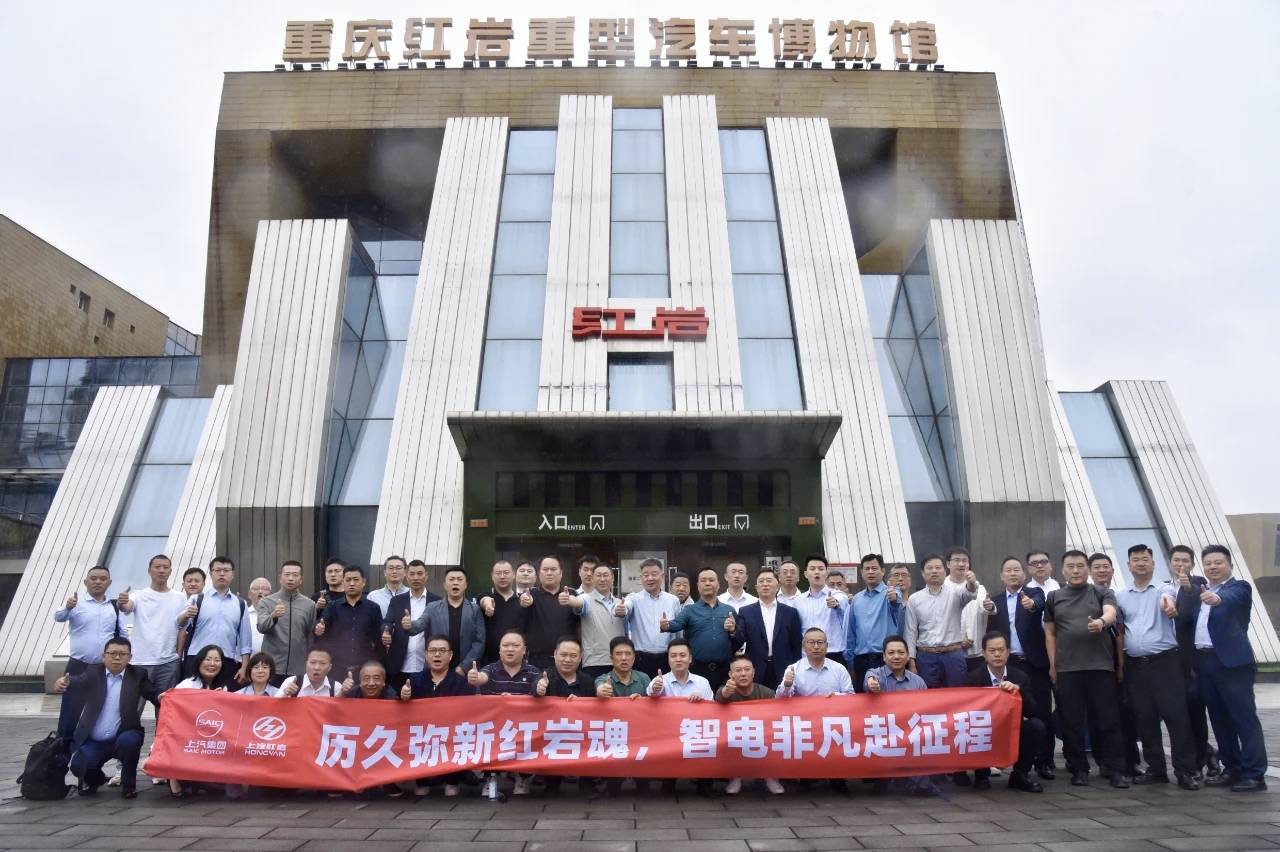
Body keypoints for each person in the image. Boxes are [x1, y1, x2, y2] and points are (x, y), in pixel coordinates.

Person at [1176, 544, 1268, 792]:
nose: (1213, 567)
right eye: (1208, 563)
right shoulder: (1200, 590)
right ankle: (1232, 767)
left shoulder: (1239, 588)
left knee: (1244, 718)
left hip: (1231, 664)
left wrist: (1216, 598)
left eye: (1218, 562)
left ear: (1230, 565)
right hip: (1204, 662)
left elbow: (1230, 599)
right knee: (1219, 719)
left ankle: (1254, 774)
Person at [1116, 544, 1199, 790]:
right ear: (1128, 565)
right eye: (1135, 560)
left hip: (1165, 663)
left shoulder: (1164, 589)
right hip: (1135, 666)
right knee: (1145, 718)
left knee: (1176, 716)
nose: (1140, 563)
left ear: (1153, 564)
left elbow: (1168, 599)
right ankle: (1156, 769)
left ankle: (1185, 771)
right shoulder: (1121, 595)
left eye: (1145, 559)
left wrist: (1169, 606)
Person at [1044, 549, 1128, 788]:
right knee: (1071, 722)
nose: (1076, 571)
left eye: (1080, 566)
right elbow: (1050, 633)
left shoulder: (1101, 592)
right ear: (1062, 570)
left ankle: (1114, 769)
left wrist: (1101, 622)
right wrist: (1053, 665)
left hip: (1100, 667)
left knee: (1108, 720)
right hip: (1068, 669)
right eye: (1070, 566)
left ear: (1088, 569)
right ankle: (1079, 768)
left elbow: (1111, 613)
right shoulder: (1054, 597)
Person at [52, 637, 159, 799]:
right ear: (104, 656)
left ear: (130, 657)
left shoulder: (138, 674)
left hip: (124, 735)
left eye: (122, 654)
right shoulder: (93, 672)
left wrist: (164, 698)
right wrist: (62, 682)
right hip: (95, 741)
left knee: (130, 742)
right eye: (112, 653)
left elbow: (152, 693)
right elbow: (75, 681)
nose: (117, 658)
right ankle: (96, 780)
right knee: (78, 766)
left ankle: (129, 786)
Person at [987, 556, 1054, 779]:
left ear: (1024, 574)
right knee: (1010, 714)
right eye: (1008, 570)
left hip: (1035, 663)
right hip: (1010, 665)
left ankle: (1045, 762)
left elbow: (1039, 603)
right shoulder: (995, 601)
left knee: (1042, 712)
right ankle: (1012, 759)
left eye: (1017, 570)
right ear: (1001, 575)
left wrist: (1032, 604)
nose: (1013, 573)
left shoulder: (1034, 593)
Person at [962, 632, 1045, 793]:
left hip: (1011, 728)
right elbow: (965, 713)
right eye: (992, 650)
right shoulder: (973, 678)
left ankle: (1020, 774)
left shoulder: (1020, 676)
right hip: (984, 729)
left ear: (1008, 652)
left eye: (1001, 650)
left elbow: (1033, 712)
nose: (997, 654)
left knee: (1037, 727)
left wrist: (1018, 692)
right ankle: (981, 774)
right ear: (984, 653)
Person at [1169, 544, 1221, 780]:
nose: (1180, 565)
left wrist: (1188, 588)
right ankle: (1206, 753)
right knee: (1179, 714)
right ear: (1170, 563)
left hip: (1190, 662)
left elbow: (1190, 616)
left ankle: (1199, 761)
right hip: (1168, 661)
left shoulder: (1198, 584)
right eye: (1176, 560)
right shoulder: (1164, 587)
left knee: (1195, 713)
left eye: (1185, 561)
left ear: (1192, 564)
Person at [863, 634, 939, 796]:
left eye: (901, 652)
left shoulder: (918, 681)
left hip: (910, 732)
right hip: (884, 732)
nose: (896, 656)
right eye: (891, 653)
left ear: (907, 655)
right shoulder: (877, 675)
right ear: (884, 656)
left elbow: (927, 710)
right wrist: (871, 684)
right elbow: (869, 678)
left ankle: (915, 781)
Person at [779, 628, 853, 793]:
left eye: (820, 642)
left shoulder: (839, 668)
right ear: (803, 646)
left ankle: (837, 777)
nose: (816, 646)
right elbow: (781, 699)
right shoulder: (793, 668)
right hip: (805, 722)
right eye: (811, 642)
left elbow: (851, 696)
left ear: (827, 646)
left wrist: (837, 697)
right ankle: (808, 776)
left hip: (833, 720)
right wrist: (787, 685)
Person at [53, 565, 124, 738]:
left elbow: (123, 635)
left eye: (103, 579)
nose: (98, 582)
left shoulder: (114, 607)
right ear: (86, 582)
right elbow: (58, 617)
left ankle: (90, 751)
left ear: (109, 583)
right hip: (78, 666)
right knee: (70, 713)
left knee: (101, 712)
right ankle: (62, 750)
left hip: (103, 668)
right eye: (93, 578)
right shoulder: (76, 603)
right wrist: (67, 607)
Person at [1088, 551, 1142, 778]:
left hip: (1121, 661)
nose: (1102, 570)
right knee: (1098, 714)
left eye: (1106, 566)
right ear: (1090, 571)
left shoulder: (1121, 595)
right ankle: (1104, 761)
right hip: (1095, 663)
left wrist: (1120, 665)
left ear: (1112, 570)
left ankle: (1129, 760)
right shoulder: (1086, 596)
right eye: (1097, 567)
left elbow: (1121, 632)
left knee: (1125, 712)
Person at [469, 630, 542, 797]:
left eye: (515, 646)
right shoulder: (491, 669)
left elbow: (538, 688)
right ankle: (490, 778)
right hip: (495, 727)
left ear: (524, 650)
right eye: (506, 645)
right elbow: (482, 677)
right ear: (499, 650)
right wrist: (476, 678)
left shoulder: (533, 671)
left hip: (523, 727)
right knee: (485, 736)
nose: (510, 649)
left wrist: (539, 688)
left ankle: (522, 777)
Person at [404, 635, 472, 797]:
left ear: (450, 655)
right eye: (432, 651)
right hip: (423, 732)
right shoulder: (415, 679)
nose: (437, 655)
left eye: (442, 651)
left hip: (450, 732)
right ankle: (422, 781)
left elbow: (468, 711)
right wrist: (404, 696)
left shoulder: (461, 682)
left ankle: (452, 781)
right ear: (426, 654)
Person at [902, 554, 978, 688]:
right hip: (926, 656)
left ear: (945, 571)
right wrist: (911, 662)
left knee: (957, 695)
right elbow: (910, 631)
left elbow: (970, 593)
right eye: (930, 568)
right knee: (929, 696)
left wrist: (971, 583)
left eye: (938, 567)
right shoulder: (915, 599)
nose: (934, 571)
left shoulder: (956, 592)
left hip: (953, 655)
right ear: (922, 573)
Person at [177, 556, 252, 689]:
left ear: (233, 574)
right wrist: (187, 615)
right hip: (197, 658)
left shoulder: (241, 604)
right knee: (193, 698)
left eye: (226, 570)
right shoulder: (197, 599)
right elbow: (179, 623)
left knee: (222, 699)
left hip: (226, 660)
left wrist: (244, 667)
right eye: (217, 570)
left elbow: (245, 641)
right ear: (211, 573)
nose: (222, 574)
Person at [660, 568, 742, 689]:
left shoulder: (729, 610)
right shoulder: (689, 610)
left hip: (725, 669)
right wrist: (666, 626)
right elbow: (677, 624)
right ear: (698, 586)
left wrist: (733, 630)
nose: (707, 583)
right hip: (697, 669)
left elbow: (740, 639)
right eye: (703, 580)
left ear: (718, 585)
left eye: (711, 580)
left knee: (724, 698)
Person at [117, 555, 185, 699]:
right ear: (149, 571)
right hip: (140, 661)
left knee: (166, 706)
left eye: (165, 567)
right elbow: (126, 607)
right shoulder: (138, 595)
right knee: (133, 705)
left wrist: (178, 655)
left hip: (168, 662)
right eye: (157, 567)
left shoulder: (179, 597)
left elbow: (182, 628)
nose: (161, 570)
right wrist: (121, 603)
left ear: (170, 571)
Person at [716, 656, 785, 796]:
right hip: (735, 736)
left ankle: (770, 776)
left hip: (761, 735)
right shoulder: (727, 690)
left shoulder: (767, 693)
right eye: (738, 670)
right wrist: (725, 693)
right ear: (730, 674)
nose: (743, 674)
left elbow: (775, 717)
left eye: (747, 669)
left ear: (753, 672)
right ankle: (735, 777)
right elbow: (719, 698)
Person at [169, 644, 227, 798]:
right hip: (187, 737)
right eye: (208, 659)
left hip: (211, 738)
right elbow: (171, 706)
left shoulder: (223, 687)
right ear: (199, 661)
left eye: (217, 660)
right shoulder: (187, 684)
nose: (212, 664)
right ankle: (173, 776)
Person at [406, 567, 484, 675]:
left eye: (459, 579)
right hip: (437, 669)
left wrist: (464, 667)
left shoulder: (474, 609)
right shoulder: (432, 608)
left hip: (465, 671)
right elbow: (419, 625)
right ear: (444, 585)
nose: (455, 582)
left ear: (466, 585)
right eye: (451, 579)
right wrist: (409, 625)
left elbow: (479, 642)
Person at [844, 553, 904, 692]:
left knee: (888, 698)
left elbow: (896, 600)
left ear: (882, 571)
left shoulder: (890, 592)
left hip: (886, 658)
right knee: (862, 700)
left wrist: (894, 597)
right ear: (862, 573)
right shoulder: (856, 599)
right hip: (861, 659)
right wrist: (850, 661)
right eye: (867, 569)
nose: (870, 572)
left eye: (874, 568)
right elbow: (851, 632)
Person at [313, 565, 383, 683]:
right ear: (343, 582)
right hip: (337, 668)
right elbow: (321, 627)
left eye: (356, 580)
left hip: (365, 670)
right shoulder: (332, 607)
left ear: (363, 582)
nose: (351, 583)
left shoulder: (373, 608)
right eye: (348, 580)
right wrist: (318, 629)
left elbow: (378, 640)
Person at [738, 567, 802, 689]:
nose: (765, 584)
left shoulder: (790, 612)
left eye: (769, 580)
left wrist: (795, 668)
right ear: (756, 587)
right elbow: (739, 639)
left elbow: (796, 645)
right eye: (761, 581)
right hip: (755, 668)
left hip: (783, 668)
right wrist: (732, 630)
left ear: (777, 586)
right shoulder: (745, 612)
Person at [383, 560, 441, 689]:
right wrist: (386, 632)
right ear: (406, 576)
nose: (416, 578)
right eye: (412, 574)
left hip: (427, 664)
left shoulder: (437, 601)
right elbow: (387, 622)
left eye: (420, 573)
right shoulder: (397, 601)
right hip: (399, 664)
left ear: (426, 576)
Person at [256, 560, 315, 684]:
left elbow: (310, 635)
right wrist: (273, 616)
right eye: (287, 574)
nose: (290, 578)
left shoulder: (309, 605)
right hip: (271, 667)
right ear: (280, 578)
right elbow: (261, 627)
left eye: (295, 575)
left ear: (301, 579)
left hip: (298, 668)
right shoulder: (266, 602)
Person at [519, 556, 580, 672]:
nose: (549, 573)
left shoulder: (571, 594)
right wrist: (525, 602)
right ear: (539, 573)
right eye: (545, 569)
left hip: (568, 660)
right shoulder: (531, 594)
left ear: (561, 573)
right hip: (537, 661)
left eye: (553, 569)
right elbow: (523, 606)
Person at [566, 563, 626, 680]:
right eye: (598, 575)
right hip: (594, 663)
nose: (602, 579)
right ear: (593, 579)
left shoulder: (621, 603)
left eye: (606, 575)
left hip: (619, 661)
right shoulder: (586, 598)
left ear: (613, 578)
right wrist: (568, 599)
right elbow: (577, 601)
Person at [622, 558, 681, 677]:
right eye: (646, 575)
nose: (650, 578)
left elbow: (678, 632)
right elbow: (626, 606)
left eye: (654, 574)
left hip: (667, 658)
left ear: (662, 576)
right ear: (641, 578)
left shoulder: (673, 600)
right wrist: (622, 609)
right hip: (641, 658)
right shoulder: (634, 599)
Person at [789, 555, 849, 664]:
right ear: (805, 574)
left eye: (821, 569)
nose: (817, 572)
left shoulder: (837, 595)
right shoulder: (797, 601)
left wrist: (835, 603)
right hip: (807, 656)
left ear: (826, 573)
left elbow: (842, 600)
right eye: (812, 569)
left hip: (833, 654)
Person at [478, 560, 524, 664]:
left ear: (513, 575)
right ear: (492, 576)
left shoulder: (521, 601)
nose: (502, 576)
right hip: (489, 660)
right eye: (498, 573)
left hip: (517, 660)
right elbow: (484, 600)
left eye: (506, 573)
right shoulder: (485, 595)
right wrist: (487, 605)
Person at [648, 639, 713, 700]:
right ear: (668, 659)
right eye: (673, 656)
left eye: (682, 655)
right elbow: (651, 693)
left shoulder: (703, 682)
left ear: (690, 658)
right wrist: (655, 689)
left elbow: (710, 706)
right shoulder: (660, 681)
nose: (678, 659)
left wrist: (702, 701)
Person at [174, 567, 206, 662]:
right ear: (183, 584)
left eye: (197, 581)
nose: (193, 584)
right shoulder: (176, 603)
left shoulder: (208, 604)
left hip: (200, 655)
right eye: (189, 581)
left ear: (203, 584)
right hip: (173, 657)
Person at [246, 577, 272, 654]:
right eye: (256, 588)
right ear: (249, 594)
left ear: (271, 595)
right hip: (246, 660)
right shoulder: (244, 615)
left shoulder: (275, 616)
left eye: (264, 589)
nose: (260, 592)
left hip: (271, 659)